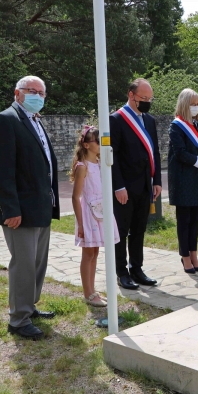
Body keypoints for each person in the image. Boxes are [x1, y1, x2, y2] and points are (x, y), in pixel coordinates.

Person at [0, 75, 59, 340]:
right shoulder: (5, 120)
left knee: (38, 263)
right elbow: (0, 170)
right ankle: (18, 319)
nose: (37, 96)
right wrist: (10, 210)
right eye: (32, 91)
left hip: (40, 206)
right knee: (24, 264)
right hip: (20, 211)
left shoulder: (35, 121)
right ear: (18, 93)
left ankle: (29, 307)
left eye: (42, 93)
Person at [110, 78, 161, 289]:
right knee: (121, 231)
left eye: (150, 98)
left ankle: (137, 269)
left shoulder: (149, 121)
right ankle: (121, 272)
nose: (147, 102)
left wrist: (157, 180)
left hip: (145, 185)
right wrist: (118, 186)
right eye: (143, 98)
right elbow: (112, 156)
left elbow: (155, 152)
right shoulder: (116, 120)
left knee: (139, 229)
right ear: (131, 95)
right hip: (125, 187)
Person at [71, 126, 120, 307]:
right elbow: (76, 197)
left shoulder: (100, 163)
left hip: (101, 211)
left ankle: (92, 291)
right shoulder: (82, 167)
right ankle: (88, 293)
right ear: (86, 145)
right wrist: (81, 224)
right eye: (97, 141)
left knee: (96, 251)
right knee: (88, 252)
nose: (101, 145)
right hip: (89, 214)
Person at [168, 89, 198, 273]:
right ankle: (185, 256)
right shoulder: (176, 126)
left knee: (195, 219)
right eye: (193, 104)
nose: (196, 107)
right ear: (184, 104)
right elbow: (181, 153)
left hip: (197, 179)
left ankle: (194, 255)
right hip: (183, 179)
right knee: (184, 220)